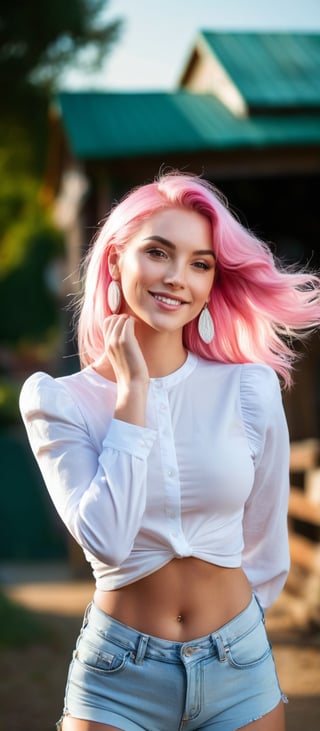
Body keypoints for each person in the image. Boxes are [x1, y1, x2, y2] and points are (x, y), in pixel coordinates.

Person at [20, 171, 320, 731]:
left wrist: (237, 633)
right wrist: (133, 395)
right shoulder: (58, 403)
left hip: (239, 666)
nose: (178, 277)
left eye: (200, 263)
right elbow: (107, 542)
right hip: (117, 679)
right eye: (159, 252)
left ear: (211, 281)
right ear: (115, 262)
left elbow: (265, 541)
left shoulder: (248, 390)